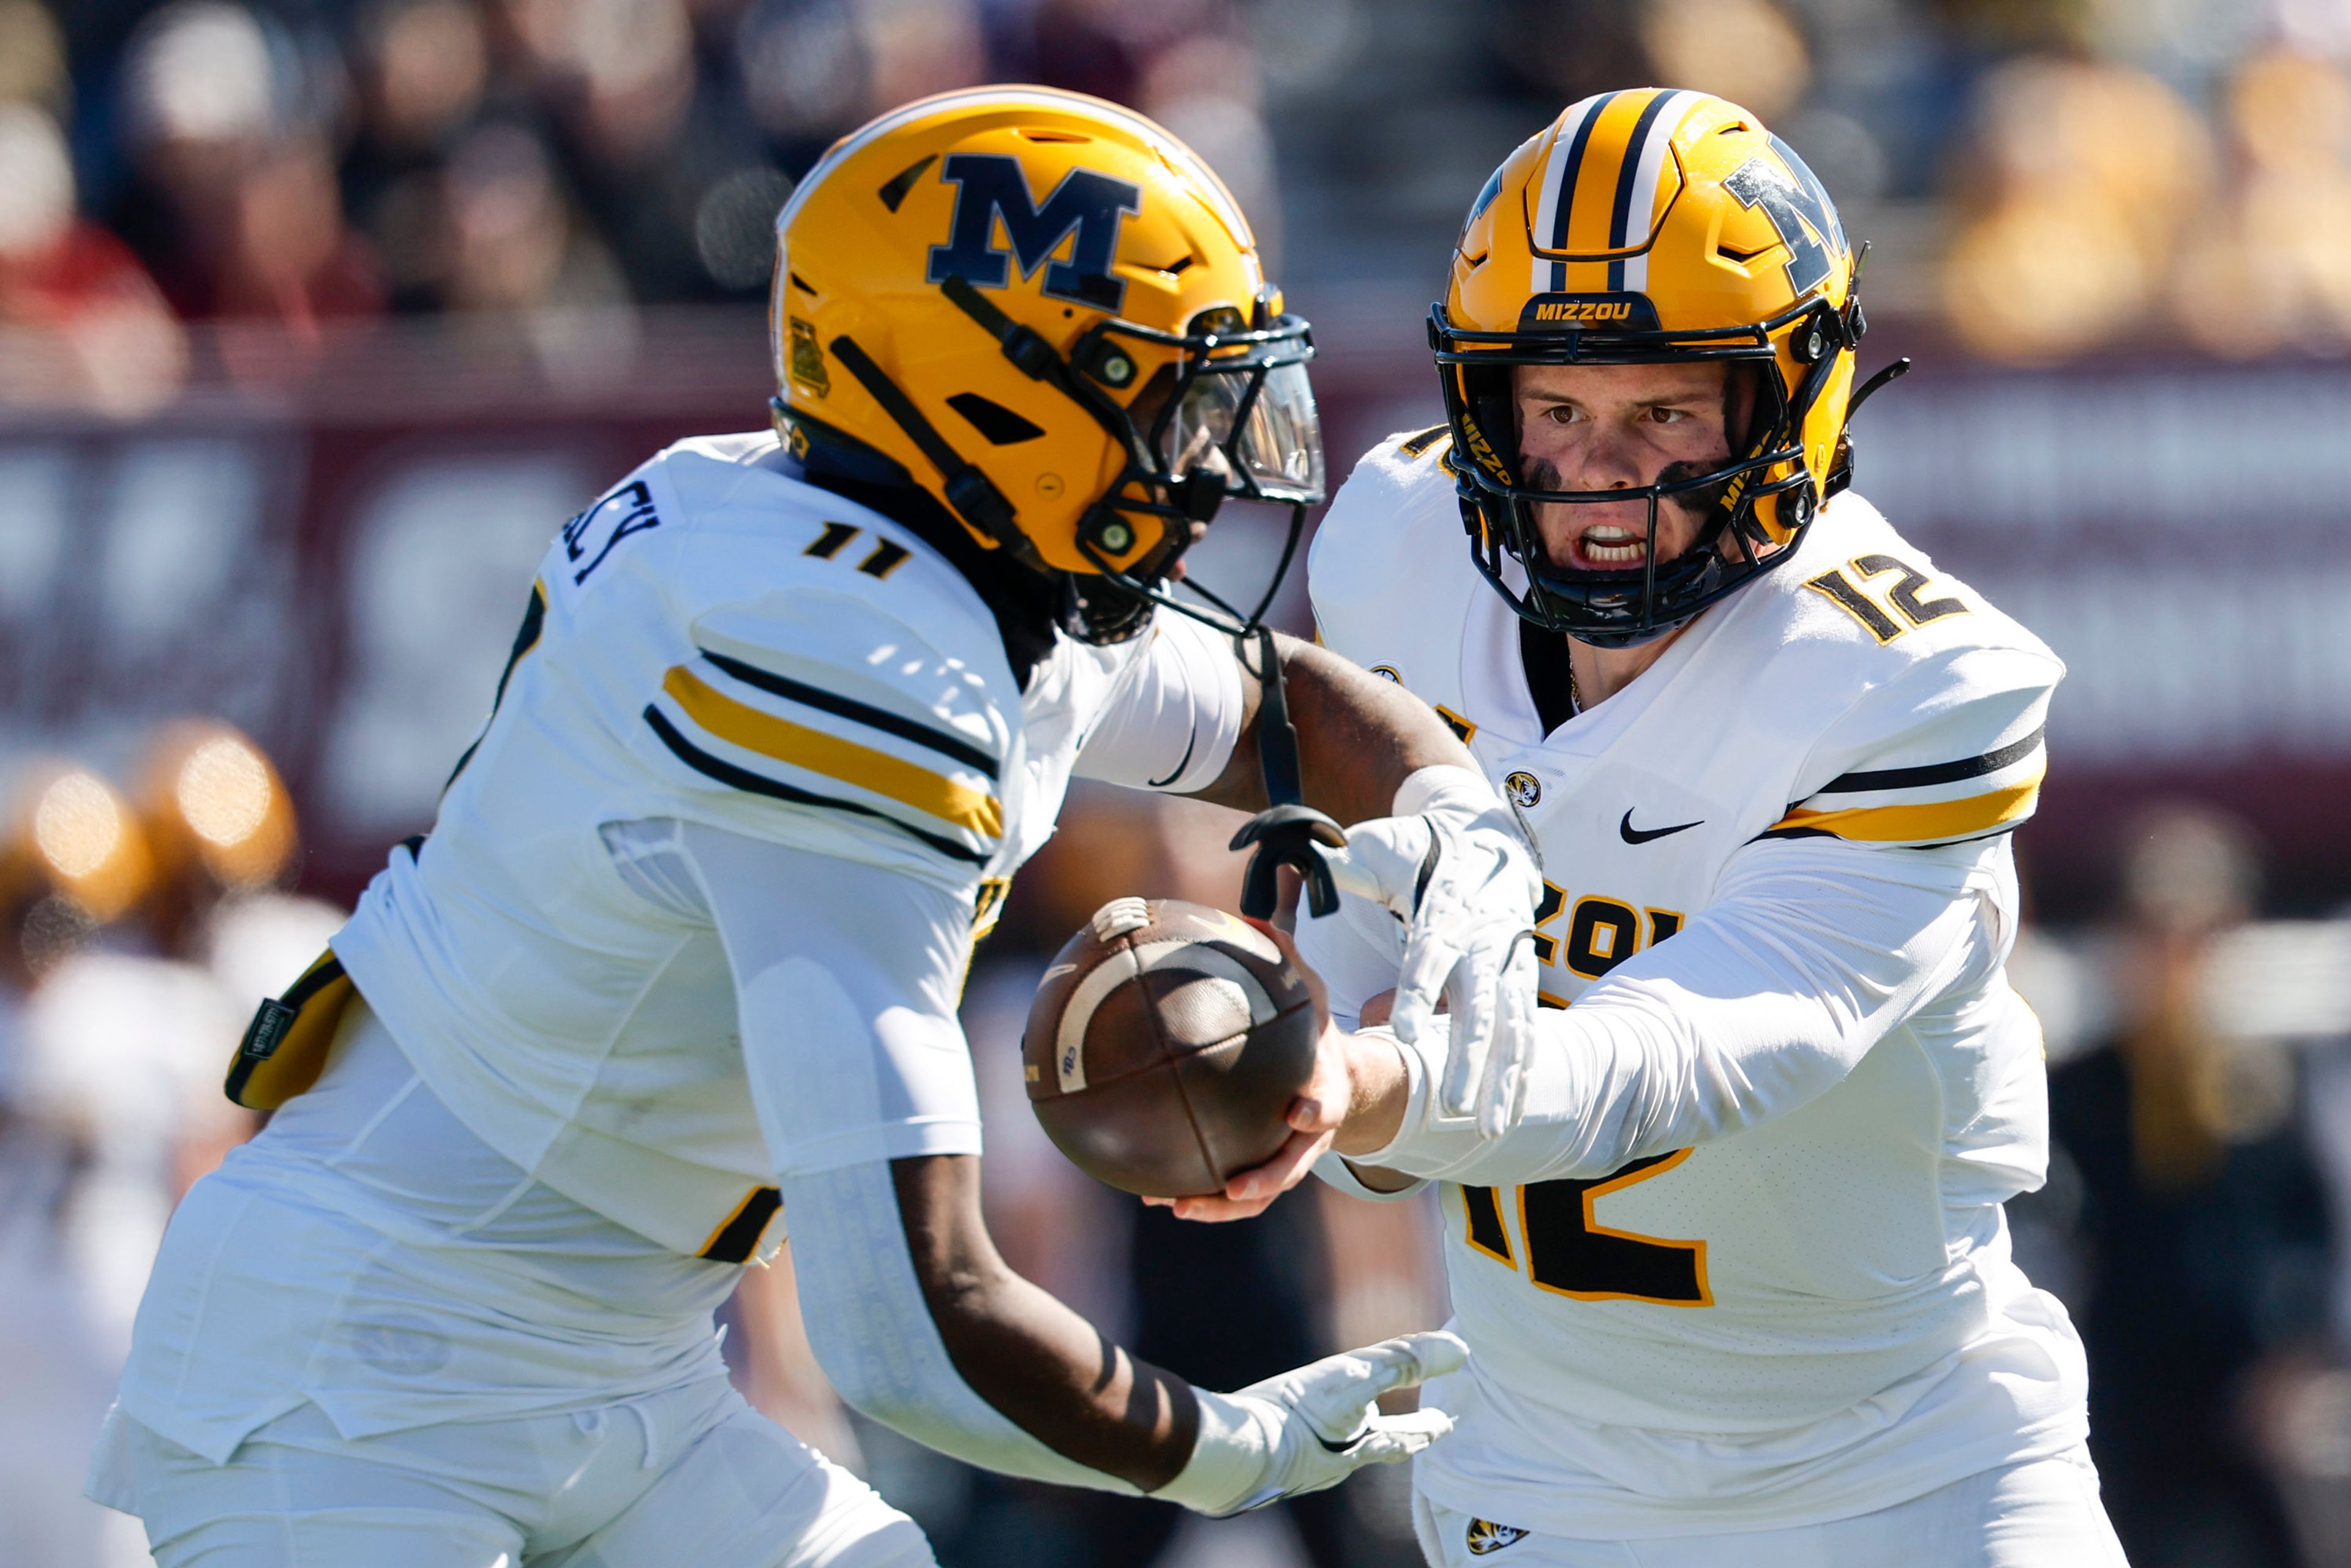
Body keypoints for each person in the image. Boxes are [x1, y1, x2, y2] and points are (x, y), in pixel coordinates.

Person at [85, 86, 1542, 1567]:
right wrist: (1231, 1450)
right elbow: (908, 1323)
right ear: (1000, 395)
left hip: (627, 1366)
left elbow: (1275, 709)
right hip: (363, 1371)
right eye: (1166, 400)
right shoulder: (839, 661)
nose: (1214, 462)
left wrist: (1466, 838)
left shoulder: (871, 554)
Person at [1209, 87, 2123, 1566]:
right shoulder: (1400, 543)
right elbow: (1391, 1075)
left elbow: (1678, 1062)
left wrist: (1368, 1081)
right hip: (1545, 1474)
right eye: (1556, 412)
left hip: (1903, 1475)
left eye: (1661, 414)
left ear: (1788, 402)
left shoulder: (1913, 679)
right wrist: (1288, 1062)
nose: (1597, 477)